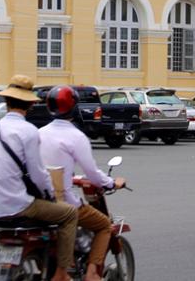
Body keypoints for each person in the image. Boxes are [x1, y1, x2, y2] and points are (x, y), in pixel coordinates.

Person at [0, 75, 78, 281]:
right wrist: (51, 196)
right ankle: (62, 274)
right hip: (16, 205)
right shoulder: (28, 131)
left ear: (6, 101)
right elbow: (39, 175)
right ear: (31, 104)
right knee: (69, 214)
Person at [40, 86, 126, 281]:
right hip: (65, 202)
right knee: (104, 225)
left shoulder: (40, 133)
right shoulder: (76, 137)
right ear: (74, 108)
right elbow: (93, 174)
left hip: (40, 200)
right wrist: (112, 183)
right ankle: (92, 273)